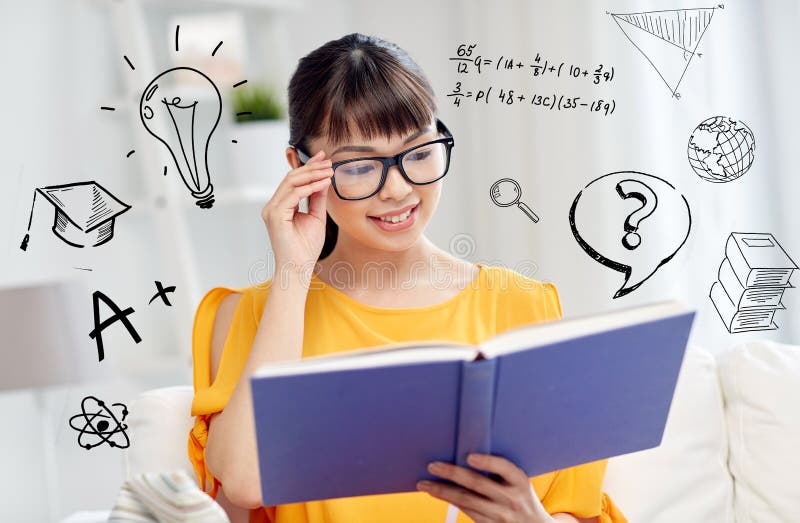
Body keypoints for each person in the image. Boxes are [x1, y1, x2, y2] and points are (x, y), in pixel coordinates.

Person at [188, 33, 628, 523]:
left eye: (418, 153)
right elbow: (246, 483)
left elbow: (573, 507)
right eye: (358, 166)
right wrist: (293, 271)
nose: (397, 190)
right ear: (300, 169)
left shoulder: (524, 305)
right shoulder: (251, 314)